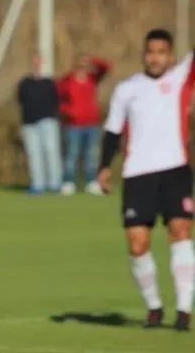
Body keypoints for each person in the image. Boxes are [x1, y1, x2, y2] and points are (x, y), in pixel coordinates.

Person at [97, 28, 195, 331]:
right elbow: (113, 130)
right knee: (137, 244)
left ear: (171, 56)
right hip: (137, 176)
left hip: (175, 171)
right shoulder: (127, 89)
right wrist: (104, 166)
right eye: (150, 51)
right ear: (144, 54)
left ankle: (183, 309)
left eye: (161, 52)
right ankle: (153, 306)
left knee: (180, 232)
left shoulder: (180, 78)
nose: (155, 57)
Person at [57, 54, 111, 195]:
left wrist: (93, 59)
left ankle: (91, 182)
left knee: (91, 155)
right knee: (72, 154)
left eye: (85, 65)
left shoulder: (92, 79)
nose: (83, 67)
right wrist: (68, 112)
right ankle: (68, 182)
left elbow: (106, 67)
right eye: (80, 64)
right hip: (73, 125)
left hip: (92, 124)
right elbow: (58, 100)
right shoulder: (67, 81)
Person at [16, 54, 63, 194]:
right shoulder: (24, 83)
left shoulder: (50, 83)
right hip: (29, 123)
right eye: (35, 61)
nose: (37, 64)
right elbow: (20, 100)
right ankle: (37, 184)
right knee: (33, 154)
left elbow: (56, 101)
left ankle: (55, 184)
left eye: (39, 61)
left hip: (48, 121)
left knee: (51, 151)